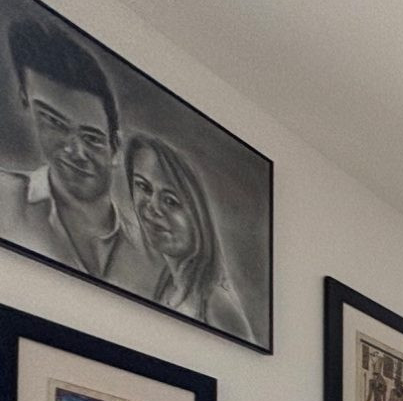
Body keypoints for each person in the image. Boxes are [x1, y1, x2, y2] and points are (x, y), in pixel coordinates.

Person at [0, 18, 148, 289]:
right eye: (53, 122)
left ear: (116, 147)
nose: (74, 151)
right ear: (26, 103)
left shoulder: (150, 254)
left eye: (91, 138)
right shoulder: (4, 198)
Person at [123, 132, 252, 338]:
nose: (152, 207)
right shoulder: (167, 286)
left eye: (171, 201)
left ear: (198, 217)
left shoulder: (215, 300)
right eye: (144, 187)